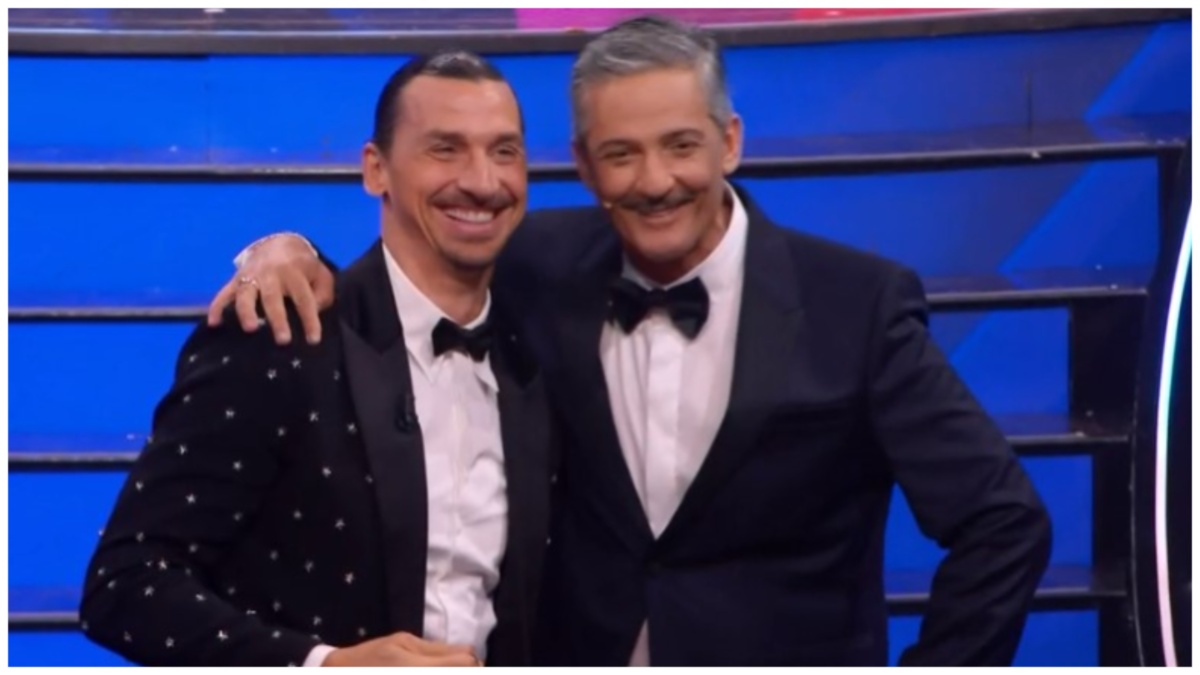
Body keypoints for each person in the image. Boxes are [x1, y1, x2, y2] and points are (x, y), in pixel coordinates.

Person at [210, 16, 1051, 667]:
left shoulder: (855, 302)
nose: (655, 181)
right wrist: (285, 250)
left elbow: (1003, 521)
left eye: (681, 145)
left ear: (730, 140)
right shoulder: (534, 264)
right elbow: (407, 262)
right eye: (621, 154)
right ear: (582, 164)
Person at [80, 51, 556, 667]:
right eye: (445, 149)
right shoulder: (279, 333)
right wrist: (325, 663)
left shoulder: (541, 348)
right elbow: (125, 585)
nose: (483, 181)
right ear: (375, 169)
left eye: (504, 151)